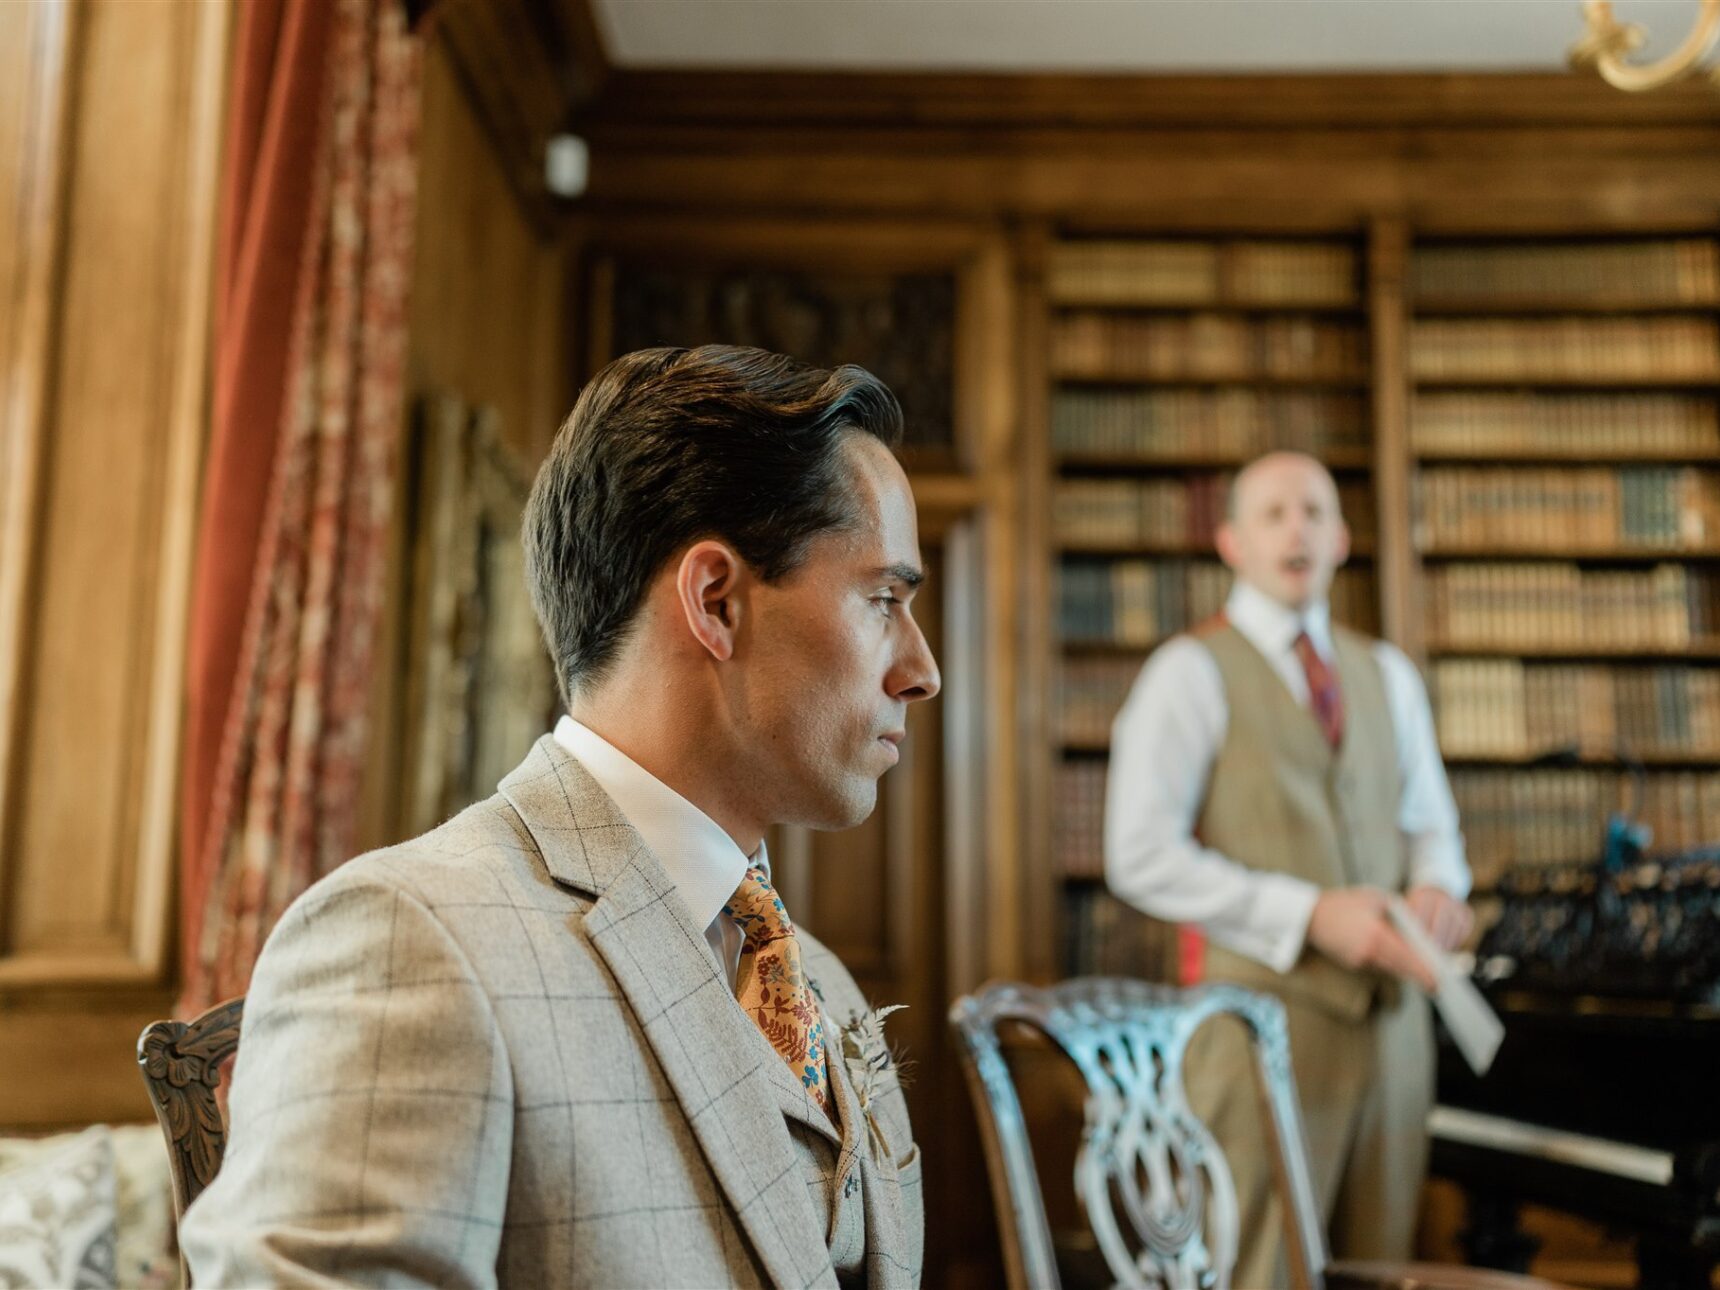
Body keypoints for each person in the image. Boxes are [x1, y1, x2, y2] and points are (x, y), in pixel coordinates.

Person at [181, 345, 939, 1288]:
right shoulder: (405, 942)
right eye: (883, 601)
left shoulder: (819, 983)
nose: (922, 670)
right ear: (716, 601)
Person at [1104, 451, 1472, 1287]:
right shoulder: (1188, 673)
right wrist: (1309, 914)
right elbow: (1138, 855)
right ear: (1232, 541)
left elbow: (1434, 830)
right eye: (1272, 514)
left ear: (1341, 537)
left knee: (1386, 1267)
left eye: (1313, 510)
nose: (1295, 528)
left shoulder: (1389, 676)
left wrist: (1440, 890)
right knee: (1262, 1269)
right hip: (1256, 1034)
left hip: (1395, 1038)